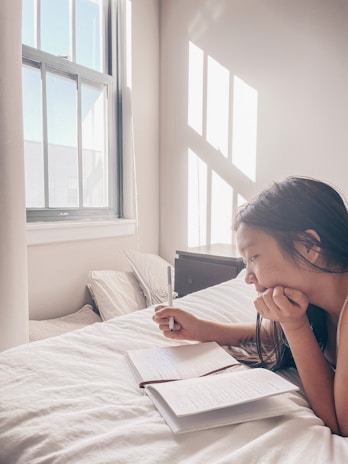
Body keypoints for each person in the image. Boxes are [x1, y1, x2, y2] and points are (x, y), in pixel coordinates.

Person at [153, 177, 348, 436]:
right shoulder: (315, 300)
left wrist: (295, 326)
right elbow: (270, 336)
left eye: (253, 257)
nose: (247, 277)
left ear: (309, 246)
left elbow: (340, 423)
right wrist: (201, 329)